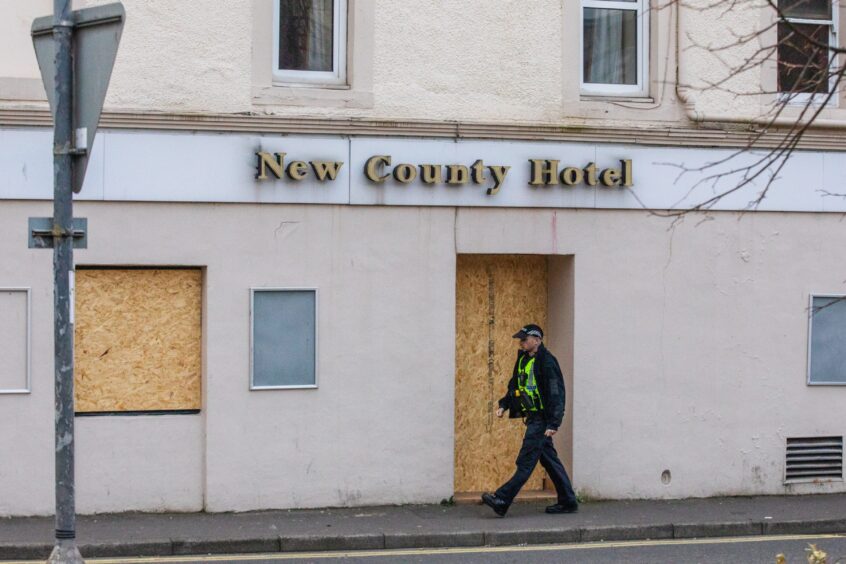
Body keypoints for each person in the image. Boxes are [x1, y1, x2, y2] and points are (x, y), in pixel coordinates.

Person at [481, 324, 578, 517]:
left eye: (524, 339)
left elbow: (556, 393)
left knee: (526, 462)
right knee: (550, 461)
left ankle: (502, 499)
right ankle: (568, 501)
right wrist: (504, 404)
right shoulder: (524, 360)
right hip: (533, 418)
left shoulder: (548, 361)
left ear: (537, 339)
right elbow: (515, 385)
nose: (521, 342)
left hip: (541, 421)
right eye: (521, 340)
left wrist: (553, 423)